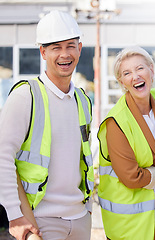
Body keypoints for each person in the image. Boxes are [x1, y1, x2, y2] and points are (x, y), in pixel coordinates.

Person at [0, 10, 93, 240]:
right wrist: (15, 214)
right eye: (56, 47)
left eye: (70, 46)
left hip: (80, 219)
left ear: (79, 49)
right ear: (43, 51)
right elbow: (2, 156)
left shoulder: (83, 99)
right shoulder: (26, 95)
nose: (65, 54)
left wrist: (88, 209)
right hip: (41, 222)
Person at [97, 46, 155, 240]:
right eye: (127, 73)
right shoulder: (116, 122)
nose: (135, 76)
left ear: (151, 70)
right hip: (129, 224)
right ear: (122, 82)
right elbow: (132, 177)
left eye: (140, 68)